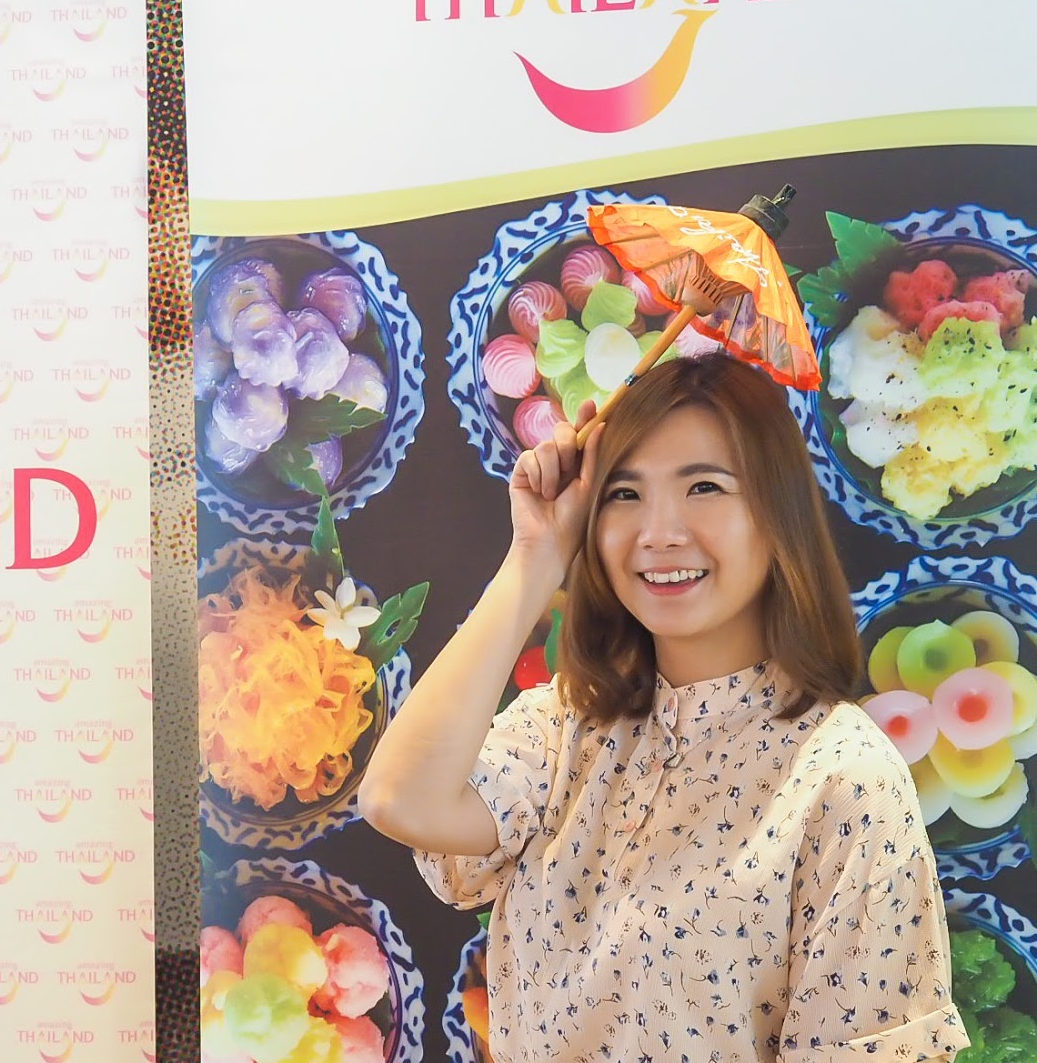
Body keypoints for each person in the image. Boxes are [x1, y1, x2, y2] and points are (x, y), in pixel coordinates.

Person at [360, 352, 970, 1062]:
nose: (658, 533)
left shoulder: (844, 778)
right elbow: (398, 799)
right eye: (624, 493)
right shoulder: (563, 725)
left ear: (777, 513)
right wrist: (536, 555)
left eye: (704, 486)